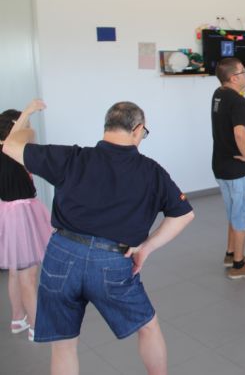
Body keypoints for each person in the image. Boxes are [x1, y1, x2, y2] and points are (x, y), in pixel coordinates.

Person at [2, 100, 195, 375]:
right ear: (138, 129)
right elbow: (184, 214)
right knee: (148, 326)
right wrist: (146, 248)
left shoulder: (71, 158)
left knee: (63, 345)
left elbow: (9, 145)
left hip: (61, 255)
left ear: (107, 128)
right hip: (112, 262)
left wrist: (26, 114)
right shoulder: (152, 172)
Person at [0, 104, 53, 342]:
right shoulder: (8, 152)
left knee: (15, 272)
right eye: (25, 127)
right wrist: (28, 111)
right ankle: (36, 326)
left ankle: (18, 319)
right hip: (21, 216)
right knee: (27, 276)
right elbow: (17, 136)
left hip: (9, 213)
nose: (29, 131)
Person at [211, 57, 245, 279]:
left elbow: (233, 97)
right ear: (234, 78)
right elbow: (240, 132)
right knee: (242, 215)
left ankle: (230, 253)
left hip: (221, 166)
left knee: (233, 212)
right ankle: (239, 266)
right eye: (243, 73)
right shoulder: (239, 102)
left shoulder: (219, 94)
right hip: (238, 169)